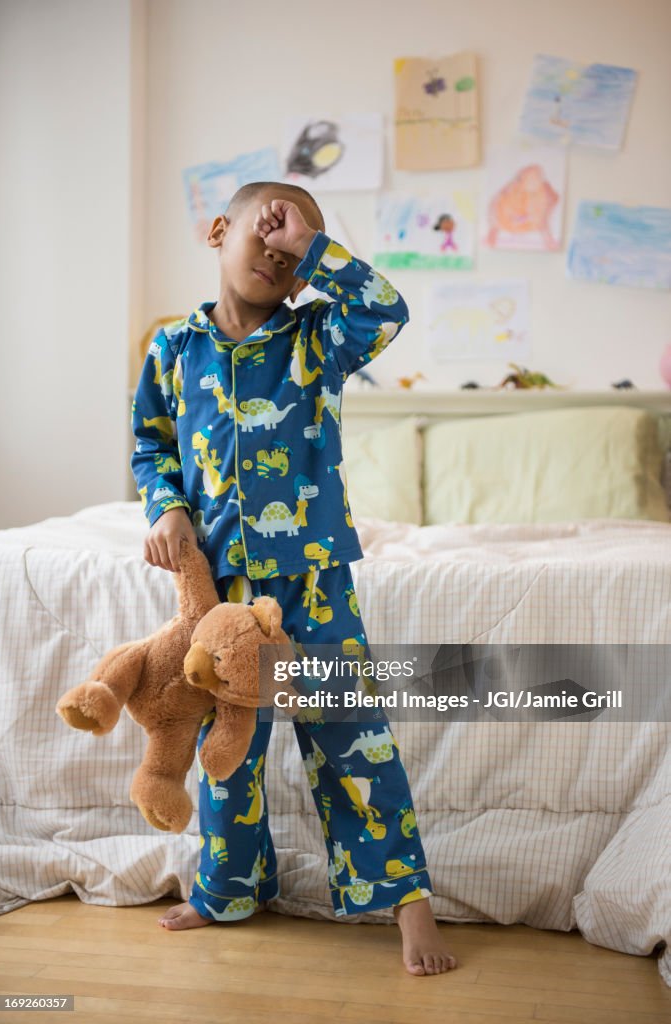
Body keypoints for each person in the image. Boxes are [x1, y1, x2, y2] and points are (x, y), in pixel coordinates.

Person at [130, 181, 458, 976]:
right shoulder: (174, 348)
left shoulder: (319, 339)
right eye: (263, 241)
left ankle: (407, 899)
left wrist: (315, 245)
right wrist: (166, 507)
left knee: (352, 737)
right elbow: (152, 445)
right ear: (218, 232)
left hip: (313, 579)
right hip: (224, 591)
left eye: (292, 257)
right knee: (225, 748)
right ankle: (229, 888)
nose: (276, 261)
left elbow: (387, 309)